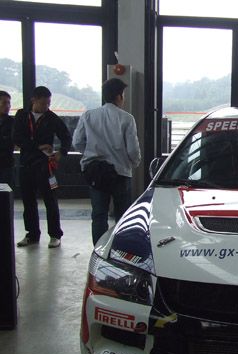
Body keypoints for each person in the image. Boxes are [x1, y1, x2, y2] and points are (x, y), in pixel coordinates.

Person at [73, 78, 141, 245]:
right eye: (123, 94)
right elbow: (133, 150)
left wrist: (90, 153)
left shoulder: (88, 115)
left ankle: (99, 248)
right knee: (122, 215)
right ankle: (120, 248)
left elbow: (77, 142)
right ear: (119, 96)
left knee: (99, 214)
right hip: (120, 173)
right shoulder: (127, 118)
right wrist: (134, 163)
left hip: (96, 172)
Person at [12, 86, 72, 248]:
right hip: (26, 164)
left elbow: (66, 137)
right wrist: (38, 146)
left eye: (49, 103)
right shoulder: (22, 116)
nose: (46, 106)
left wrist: (61, 152)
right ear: (34, 100)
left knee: (50, 200)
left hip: (46, 166)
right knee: (28, 201)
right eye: (44, 103)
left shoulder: (51, 118)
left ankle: (55, 235)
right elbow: (17, 138)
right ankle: (32, 234)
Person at [0, 90, 14, 188]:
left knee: (5, 192)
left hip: (6, 164)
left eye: (9, 103)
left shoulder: (12, 122)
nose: (7, 106)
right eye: (4, 103)